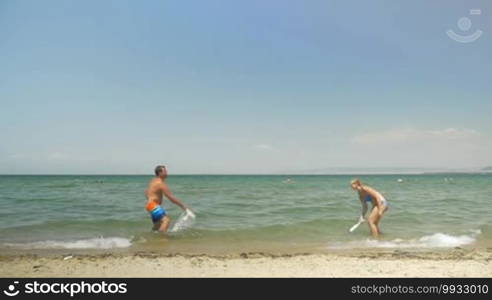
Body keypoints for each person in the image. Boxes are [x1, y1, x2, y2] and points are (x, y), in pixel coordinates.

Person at [144, 165, 190, 233]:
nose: (167, 173)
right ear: (159, 173)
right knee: (166, 220)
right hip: (153, 205)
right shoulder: (160, 183)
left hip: (149, 205)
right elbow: (171, 198)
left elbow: (146, 191)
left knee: (157, 225)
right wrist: (183, 206)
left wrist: (150, 199)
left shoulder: (153, 181)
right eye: (165, 171)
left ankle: (152, 240)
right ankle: (161, 239)